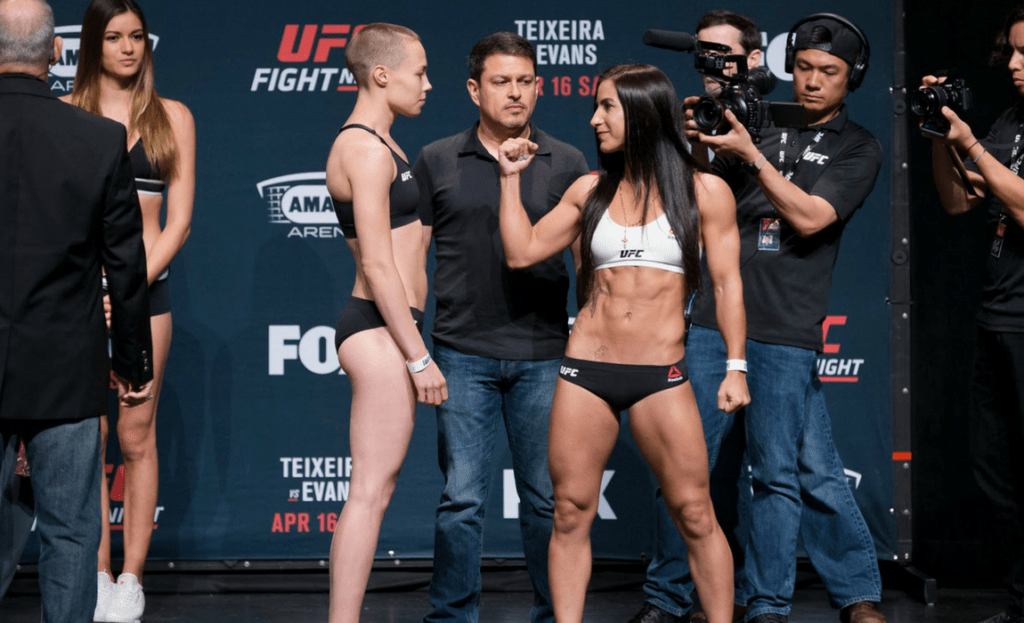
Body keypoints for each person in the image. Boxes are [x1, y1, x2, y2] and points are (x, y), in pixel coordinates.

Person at [498, 63, 749, 623]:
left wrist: (736, 365)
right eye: (596, 106)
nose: (594, 119)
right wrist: (510, 180)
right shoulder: (590, 190)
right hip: (587, 370)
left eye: (607, 107)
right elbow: (521, 252)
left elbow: (729, 284)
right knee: (569, 511)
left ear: (641, 114)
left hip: (660, 375)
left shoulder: (705, 191)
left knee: (695, 512)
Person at [681, 13, 886, 623]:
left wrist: (752, 156)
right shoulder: (756, 120)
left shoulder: (860, 145)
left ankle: (787, 602)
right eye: (802, 68)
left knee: (789, 472)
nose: (812, 82)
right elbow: (699, 191)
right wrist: (706, 135)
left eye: (829, 72)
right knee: (708, 471)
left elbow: (813, 218)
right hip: (715, 318)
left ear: (854, 78)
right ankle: (721, 594)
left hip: (786, 326)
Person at [413, 32, 588, 623]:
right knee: (461, 501)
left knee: (545, 501)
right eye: (501, 81)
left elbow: (587, 265)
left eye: (525, 81)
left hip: (544, 353)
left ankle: (551, 614)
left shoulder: (566, 161)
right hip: (461, 352)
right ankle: (453, 617)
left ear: (538, 86)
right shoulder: (437, 158)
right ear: (473, 89)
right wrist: (414, 347)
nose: (515, 93)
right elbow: (413, 261)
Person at [0, 0, 153, 620]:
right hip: (65, 364)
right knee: (70, 529)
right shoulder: (98, 138)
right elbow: (126, 263)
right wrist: (132, 360)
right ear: (57, 52)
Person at [61, 1, 194, 619]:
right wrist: (99, 292)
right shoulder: (66, 117)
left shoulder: (174, 118)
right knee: (89, 438)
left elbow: (178, 220)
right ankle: (95, 574)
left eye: (136, 36)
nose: (128, 47)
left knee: (138, 437)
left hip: (146, 297)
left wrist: (128, 290)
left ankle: (131, 581)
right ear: (93, 44)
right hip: (78, 301)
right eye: (113, 37)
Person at [631, 12, 762, 623]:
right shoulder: (688, 123)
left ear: (753, 59)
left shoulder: (777, 125)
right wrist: (693, 142)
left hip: (775, 317)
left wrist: (744, 144)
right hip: (698, 317)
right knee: (682, 471)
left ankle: (753, 602)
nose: (712, 66)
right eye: (703, 54)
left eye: (724, 55)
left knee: (774, 478)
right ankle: (666, 598)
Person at [323, 23, 445, 623]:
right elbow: (376, 263)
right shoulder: (364, 149)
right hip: (379, 327)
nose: (428, 84)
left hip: (391, 325)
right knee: (369, 492)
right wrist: (418, 356)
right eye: (418, 72)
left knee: (378, 489)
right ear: (380, 74)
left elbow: (411, 243)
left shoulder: (387, 145)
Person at [924, 5, 1024, 623]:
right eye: (1011, 51)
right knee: (998, 475)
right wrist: (942, 134)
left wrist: (971, 147)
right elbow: (958, 200)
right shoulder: (1013, 121)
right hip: (996, 318)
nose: (1012, 65)